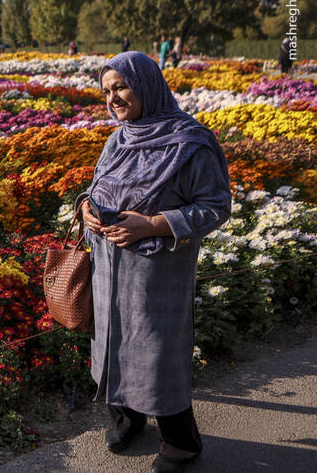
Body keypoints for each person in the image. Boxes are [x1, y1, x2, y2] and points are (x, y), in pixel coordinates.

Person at [75, 51, 231, 473]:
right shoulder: (119, 139)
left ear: (147, 86)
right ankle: (127, 420)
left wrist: (153, 225)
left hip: (157, 275)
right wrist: (86, 208)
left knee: (157, 355)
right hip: (108, 270)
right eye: (107, 91)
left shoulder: (190, 141)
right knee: (113, 345)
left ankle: (181, 443)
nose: (113, 98)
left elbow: (215, 206)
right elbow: (97, 188)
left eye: (121, 87)